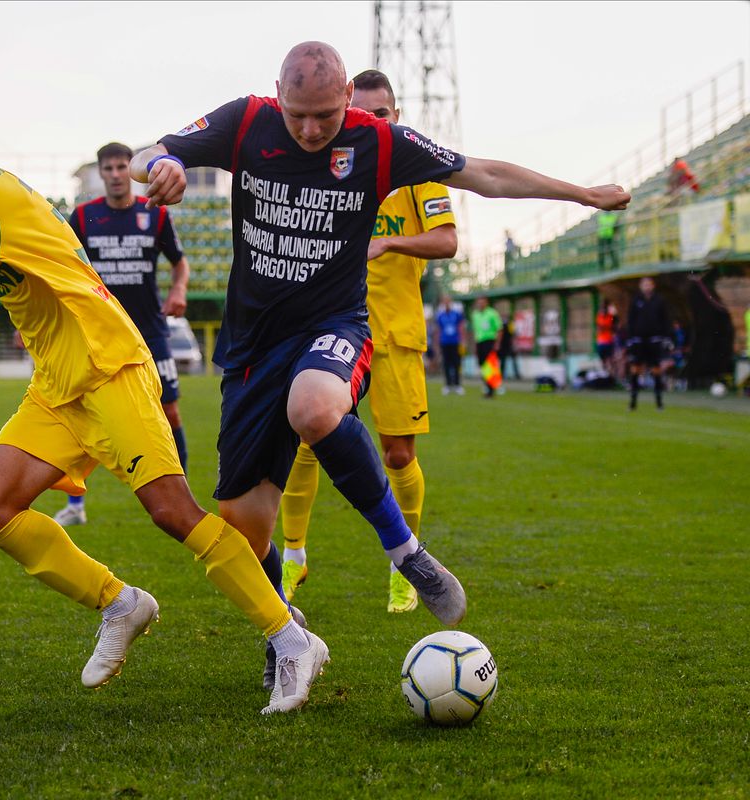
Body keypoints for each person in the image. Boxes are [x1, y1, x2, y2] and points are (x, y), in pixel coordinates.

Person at [130, 41, 628, 678]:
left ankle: (408, 554)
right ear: (277, 95)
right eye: (297, 115)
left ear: (346, 101)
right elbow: (151, 151)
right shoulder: (246, 121)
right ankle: (289, 637)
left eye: (325, 117)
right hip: (252, 344)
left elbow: (488, 175)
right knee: (245, 532)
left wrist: (581, 194)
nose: (310, 131)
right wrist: (162, 165)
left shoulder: (381, 142)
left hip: (334, 325)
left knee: (314, 408)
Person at [0, 100, 326, 715]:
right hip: (59, 381)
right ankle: (119, 603)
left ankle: (290, 637)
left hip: (108, 364)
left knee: (171, 511)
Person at [273, 69, 458, 615]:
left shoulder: (420, 172)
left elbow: (448, 241)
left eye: (383, 115)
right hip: (331, 328)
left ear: (395, 117)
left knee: (398, 452)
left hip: (395, 331)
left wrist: (388, 244)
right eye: (366, 114)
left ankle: (406, 566)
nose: (373, 123)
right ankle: (294, 553)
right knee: (306, 436)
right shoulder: (335, 164)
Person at [52, 142, 192, 528]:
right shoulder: (82, 217)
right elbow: (62, 267)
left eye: (120, 167)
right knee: (84, 417)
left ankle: (181, 497)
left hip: (150, 329)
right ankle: (75, 506)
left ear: (129, 171)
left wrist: (178, 290)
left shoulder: (155, 214)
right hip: (99, 333)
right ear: (100, 173)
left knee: (170, 411)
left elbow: (180, 265)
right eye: (108, 169)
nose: (115, 175)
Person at [626, 276, 672, 410]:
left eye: (649, 284)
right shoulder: (636, 300)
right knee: (635, 369)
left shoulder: (659, 300)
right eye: (644, 284)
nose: (647, 286)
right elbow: (631, 320)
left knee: (656, 370)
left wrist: (665, 337)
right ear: (641, 286)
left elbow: (665, 319)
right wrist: (631, 338)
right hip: (638, 340)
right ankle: (633, 402)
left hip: (654, 339)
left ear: (653, 285)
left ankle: (659, 402)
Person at [470, 297, 503, 397]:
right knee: (482, 365)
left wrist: (497, 343)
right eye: (479, 303)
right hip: (480, 342)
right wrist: (475, 345)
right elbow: (475, 331)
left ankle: (492, 388)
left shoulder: (492, 313)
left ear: (486, 303)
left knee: (490, 365)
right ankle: (487, 385)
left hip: (489, 341)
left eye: (482, 302)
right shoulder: (475, 315)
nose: (480, 304)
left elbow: (499, 329)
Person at [435, 296, 466, 395]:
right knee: (446, 364)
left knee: (456, 363)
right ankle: (447, 385)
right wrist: (437, 342)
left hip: (455, 342)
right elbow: (438, 330)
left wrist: (463, 340)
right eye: (445, 301)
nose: (447, 303)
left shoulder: (456, 314)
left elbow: (460, 327)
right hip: (444, 342)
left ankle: (457, 385)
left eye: (448, 301)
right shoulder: (440, 315)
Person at [595, 301, 618, 377]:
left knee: (610, 360)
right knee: (602, 360)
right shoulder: (599, 317)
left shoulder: (610, 317)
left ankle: (611, 375)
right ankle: (604, 374)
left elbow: (614, 326)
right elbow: (598, 328)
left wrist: (606, 327)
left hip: (609, 341)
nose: (603, 311)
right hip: (601, 342)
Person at [497, 313, 520, 380]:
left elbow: (513, 334)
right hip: (504, 345)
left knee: (512, 360)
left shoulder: (510, 324)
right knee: (504, 361)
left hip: (509, 345)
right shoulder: (502, 324)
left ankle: (516, 375)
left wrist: (514, 344)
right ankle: (502, 374)